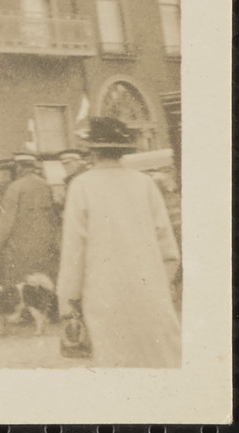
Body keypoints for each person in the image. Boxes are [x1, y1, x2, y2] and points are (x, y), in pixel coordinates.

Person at [56, 117, 181, 367]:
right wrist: (160, 282)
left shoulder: (82, 186)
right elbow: (168, 248)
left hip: (103, 296)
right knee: (160, 363)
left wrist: (68, 304)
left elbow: (74, 252)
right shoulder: (145, 183)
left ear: (91, 150)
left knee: (117, 368)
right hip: (150, 293)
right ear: (124, 151)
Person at [0, 153, 61, 285]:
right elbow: (54, 218)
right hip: (46, 247)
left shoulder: (15, 187)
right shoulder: (46, 185)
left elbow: (7, 221)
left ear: (19, 167)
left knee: (24, 286)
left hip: (22, 249)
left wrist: (0, 244)